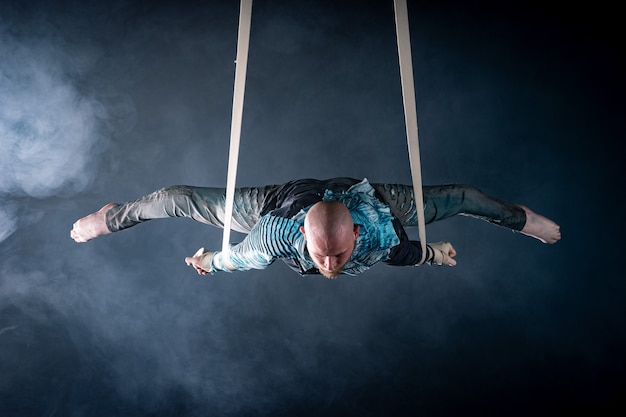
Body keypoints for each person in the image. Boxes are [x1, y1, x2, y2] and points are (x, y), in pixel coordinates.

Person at [70, 177, 560, 278]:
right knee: (176, 200)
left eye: (338, 257)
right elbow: (235, 257)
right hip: (274, 205)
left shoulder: (381, 230)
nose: (328, 265)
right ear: (304, 239)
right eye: (324, 256)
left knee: (466, 198)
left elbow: (401, 252)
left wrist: (432, 253)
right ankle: (116, 216)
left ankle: (522, 219)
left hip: (373, 198)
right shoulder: (273, 237)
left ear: (356, 240)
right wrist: (206, 262)